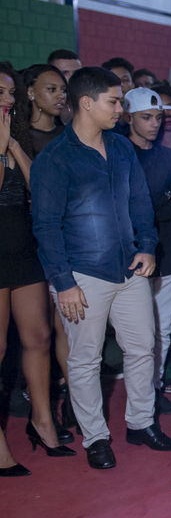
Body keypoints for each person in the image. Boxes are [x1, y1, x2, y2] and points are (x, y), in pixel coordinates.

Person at [31, 67, 171, 469]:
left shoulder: (120, 148)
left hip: (129, 269)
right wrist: (63, 282)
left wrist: (147, 247)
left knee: (143, 348)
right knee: (85, 360)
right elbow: (45, 226)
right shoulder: (55, 159)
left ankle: (141, 423)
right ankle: (96, 438)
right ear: (87, 103)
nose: (121, 108)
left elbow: (140, 203)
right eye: (114, 101)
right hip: (81, 275)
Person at [1, 63, 72, 470]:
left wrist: (12, 145)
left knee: (40, 336)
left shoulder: (15, 136)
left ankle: (42, 421)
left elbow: (38, 188)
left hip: (24, 249)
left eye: (11, 93)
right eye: (0, 93)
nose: (8, 99)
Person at [123, 88, 171, 415]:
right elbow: (126, 208)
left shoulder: (170, 158)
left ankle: (153, 389)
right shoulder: (118, 154)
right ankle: (138, 398)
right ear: (128, 118)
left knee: (161, 329)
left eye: (158, 117)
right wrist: (162, 200)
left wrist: (155, 203)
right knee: (138, 334)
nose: (154, 123)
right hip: (132, 253)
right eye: (146, 117)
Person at [15, 65, 67, 157]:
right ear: (30, 92)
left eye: (63, 90)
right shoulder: (18, 136)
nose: (61, 96)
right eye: (52, 89)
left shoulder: (70, 134)